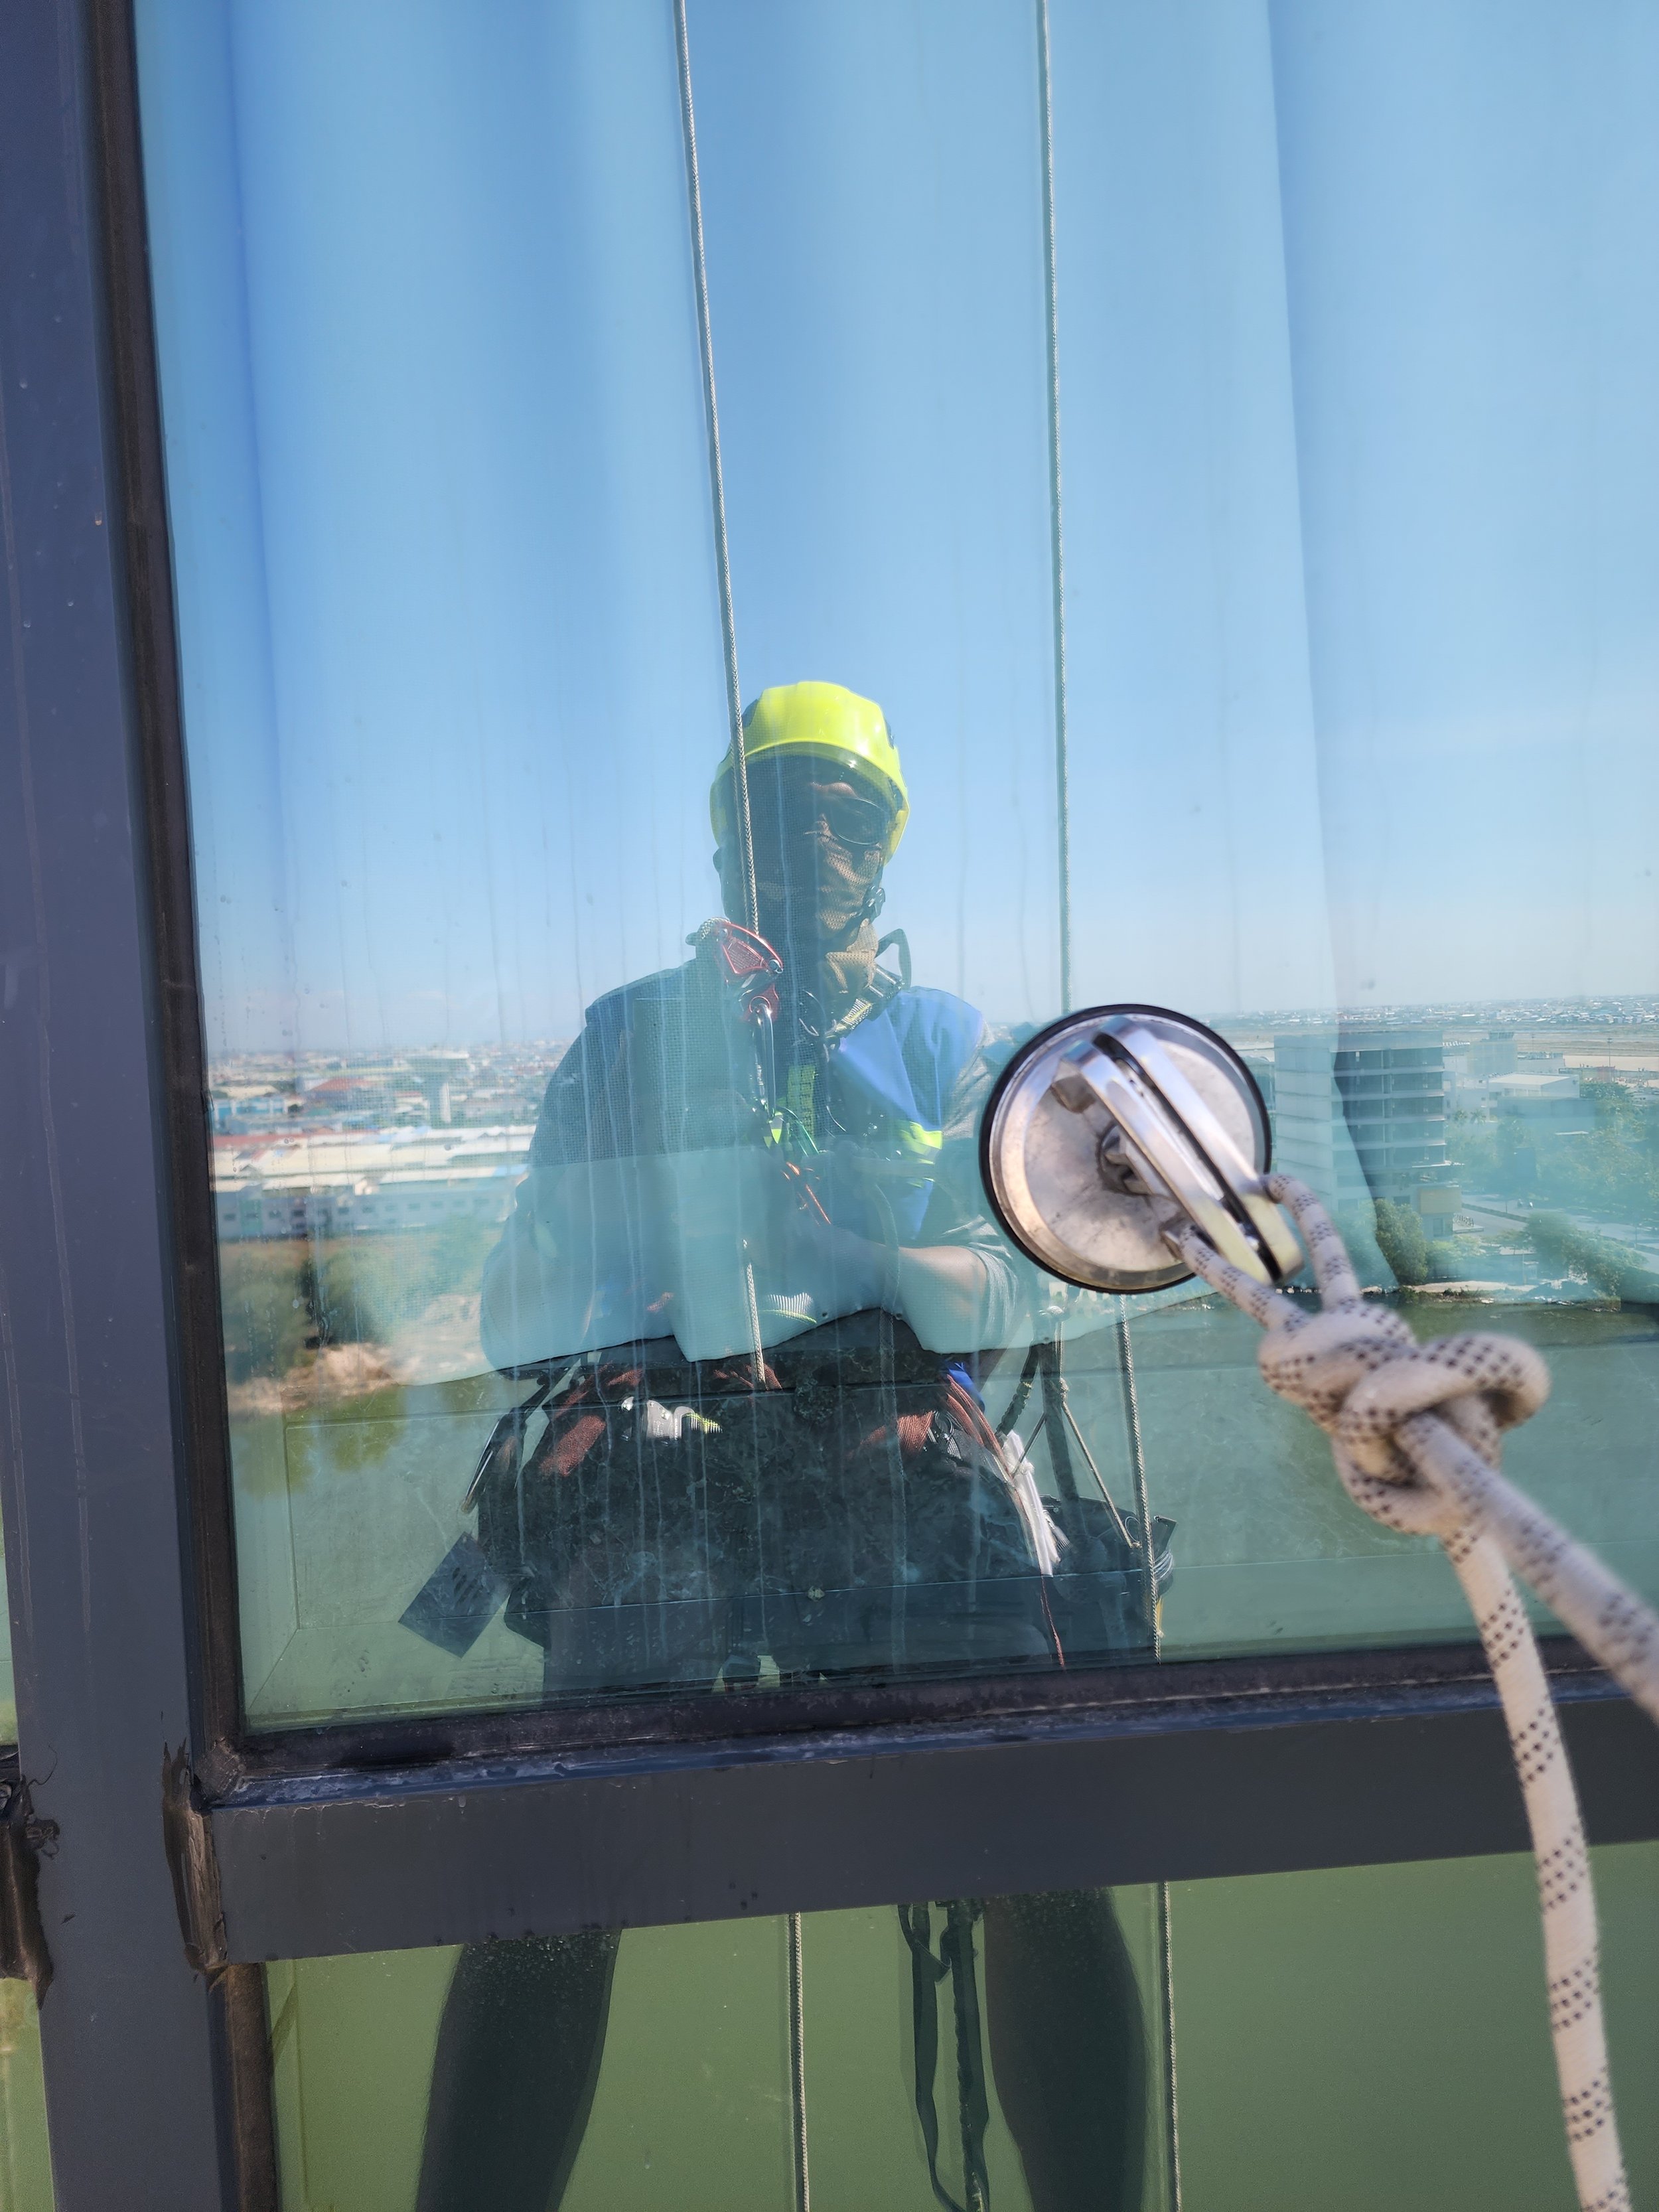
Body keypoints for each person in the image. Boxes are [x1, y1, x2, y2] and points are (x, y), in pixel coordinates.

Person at [416, 683, 1151, 2211]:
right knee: (562, 1853)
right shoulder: (630, 1040)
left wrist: (859, 1266)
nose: (814, 840)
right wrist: (639, 1281)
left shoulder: (953, 1047)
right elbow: (512, 1303)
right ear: (723, 844)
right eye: (776, 811)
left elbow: (1037, 1278)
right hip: (674, 1462)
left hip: (898, 1456)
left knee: (1033, 1829)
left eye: (844, 814)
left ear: (884, 843)